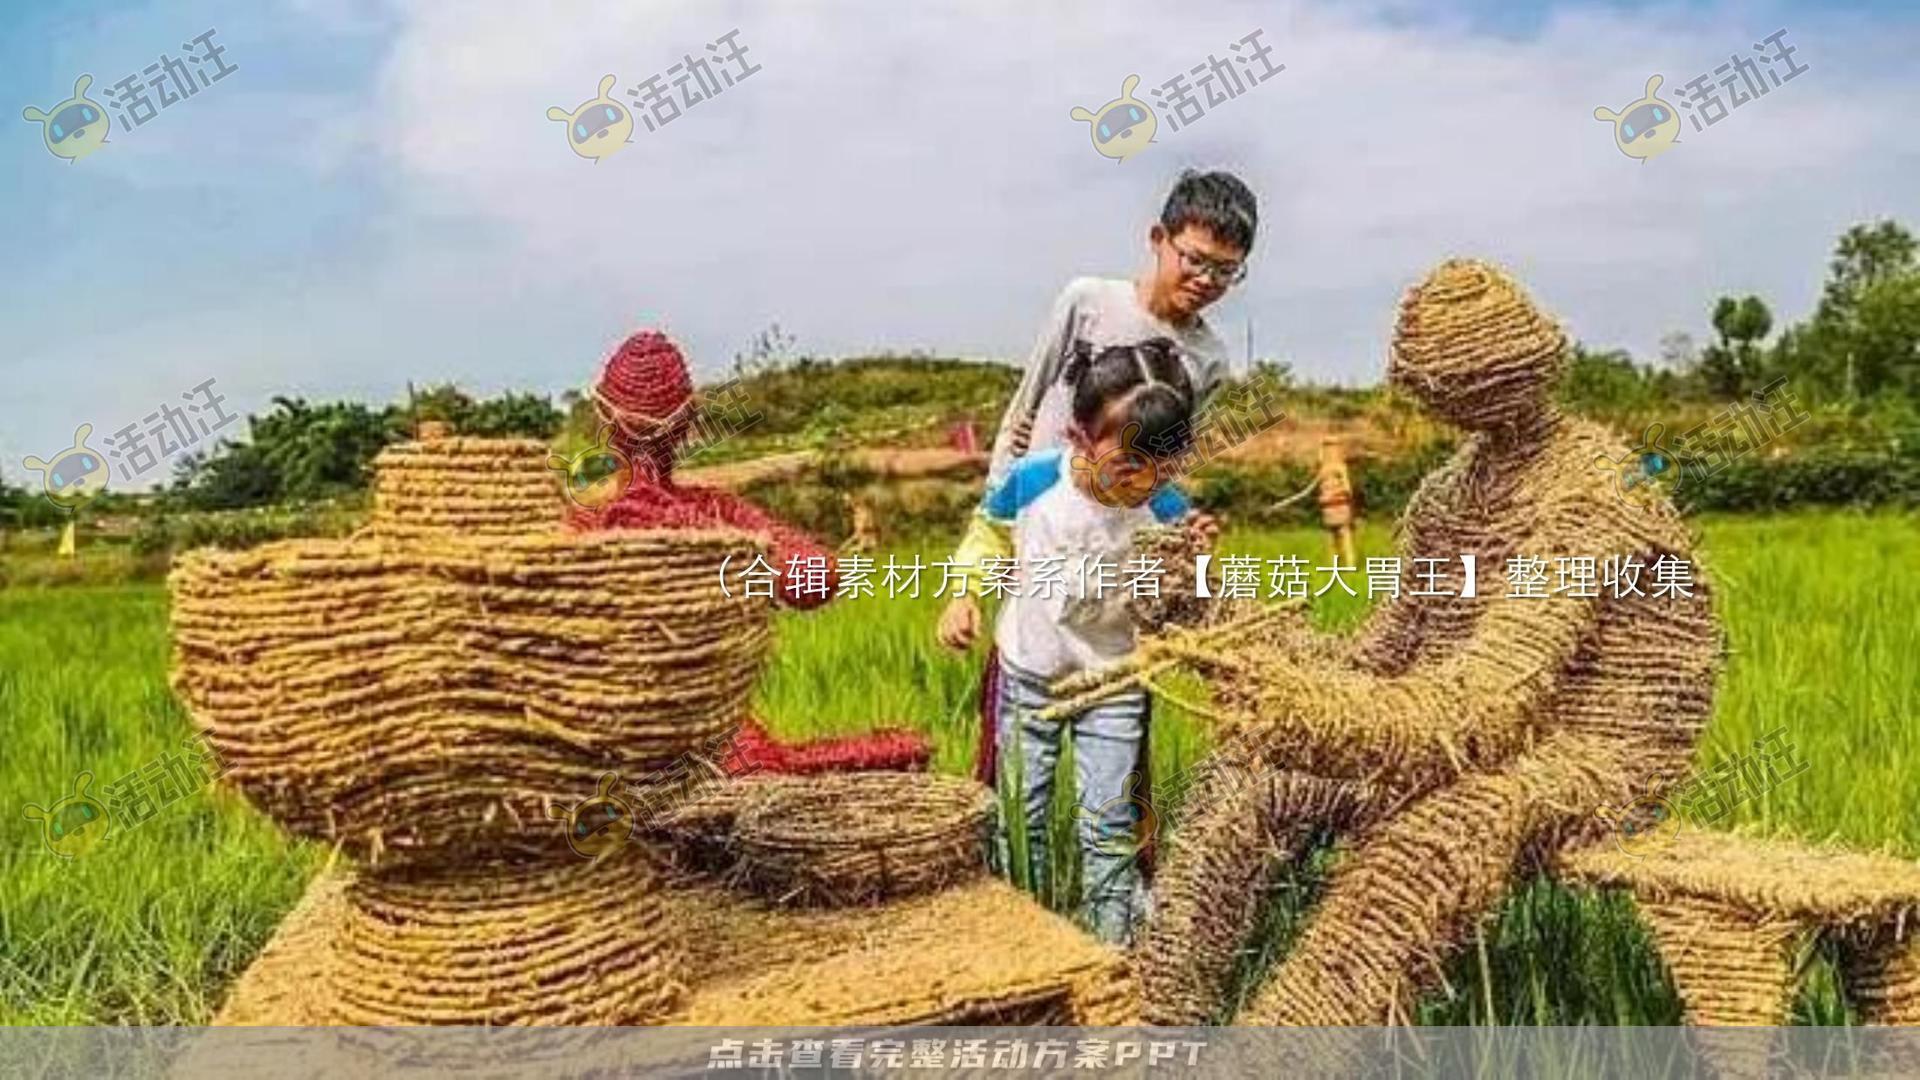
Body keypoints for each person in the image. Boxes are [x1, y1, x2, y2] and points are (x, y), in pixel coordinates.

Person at [935, 168, 1258, 875]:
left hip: (1117, 548)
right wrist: (1001, 514)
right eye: (1194, 258)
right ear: (1159, 240)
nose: (1205, 279)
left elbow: (1169, 464)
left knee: (1118, 741)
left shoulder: (1209, 359)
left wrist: (1178, 544)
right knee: (1014, 743)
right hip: (1044, 525)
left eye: (1226, 271)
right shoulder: (1089, 303)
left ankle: (1121, 904)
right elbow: (1026, 405)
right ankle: (1004, 892)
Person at [938, 336, 1212, 945]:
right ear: (1080, 440)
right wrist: (964, 594)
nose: (1141, 486)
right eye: (1127, 467)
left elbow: (1181, 591)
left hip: (1114, 681)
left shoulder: (1165, 506)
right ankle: (1025, 938)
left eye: (1161, 471)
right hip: (1029, 674)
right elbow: (987, 535)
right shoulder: (1034, 481)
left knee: (1107, 820)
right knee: (1019, 813)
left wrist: (1195, 557)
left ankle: (1109, 947)